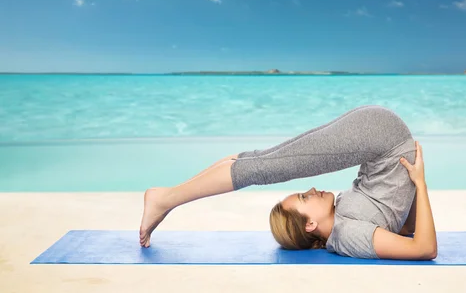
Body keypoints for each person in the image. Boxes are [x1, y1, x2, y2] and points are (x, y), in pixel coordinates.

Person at [139, 104, 437, 260]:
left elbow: (401, 225)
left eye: (303, 195)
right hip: (381, 136)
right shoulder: (348, 235)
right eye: (305, 199)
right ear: (310, 226)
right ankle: (165, 198)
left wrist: (413, 183)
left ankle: (166, 197)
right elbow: (419, 243)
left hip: (378, 135)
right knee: (263, 166)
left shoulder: (341, 217)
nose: (311, 190)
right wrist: (419, 184)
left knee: (263, 161)